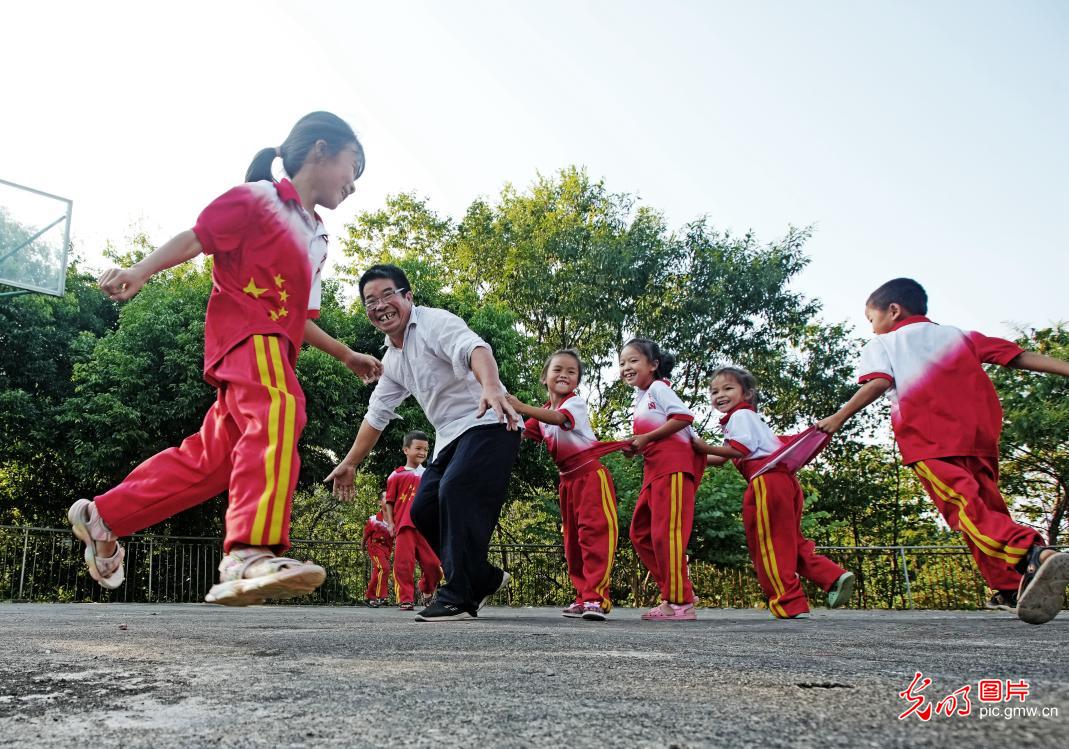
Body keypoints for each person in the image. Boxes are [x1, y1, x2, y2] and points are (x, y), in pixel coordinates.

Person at [67, 112, 383, 606]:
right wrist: (142, 269)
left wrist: (345, 354)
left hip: (274, 348)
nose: (354, 183)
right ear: (321, 149)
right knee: (281, 407)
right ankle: (249, 551)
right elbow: (198, 237)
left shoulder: (318, 238)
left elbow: (298, 314)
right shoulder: (257, 198)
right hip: (244, 337)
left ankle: (104, 516)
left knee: (211, 463)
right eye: (353, 165)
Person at [816, 277, 1069, 625]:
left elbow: (877, 382)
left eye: (871, 319)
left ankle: (1032, 552)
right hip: (980, 438)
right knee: (985, 510)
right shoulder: (960, 336)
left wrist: (839, 416)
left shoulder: (885, 343)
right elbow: (1018, 356)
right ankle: (1011, 587)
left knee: (964, 509)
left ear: (893, 310)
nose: (872, 328)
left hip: (929, 439)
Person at [326, 264, 521, 622]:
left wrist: (491, 386)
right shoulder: (393, 360)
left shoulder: (434, 323)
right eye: (371, 301)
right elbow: (376, 415)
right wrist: (351, 462)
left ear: (407, 297)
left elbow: (476, 349)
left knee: (455, 489)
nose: (380, 305)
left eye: (388, 295)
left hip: (490, 422)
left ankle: (458, 595)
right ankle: (484, 578)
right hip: (450, 437)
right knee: (422, 511)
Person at [692, 367, 854, 619]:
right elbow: (721, 458)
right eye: (714, 391)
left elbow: (740, 449)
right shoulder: (748, 420)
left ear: (747, 393)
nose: (719, 395)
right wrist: (693, 454)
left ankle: (788, 603)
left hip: (765, 481)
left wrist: (701, 446)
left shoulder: (740, 417)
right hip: (783, 481)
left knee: (768, 544)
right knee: (789, 540)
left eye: (727, 388)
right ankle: (832, 575)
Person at [506, 349, 619, 621]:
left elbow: (559, 420)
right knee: (572, 542)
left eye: (571, 372)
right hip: (567, 481)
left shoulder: (573, 405)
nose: (564, 375)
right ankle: (582, 595)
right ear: (544, 377)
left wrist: (520, 406)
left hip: (591, 476)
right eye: (557, 370)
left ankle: (597, 597)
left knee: (594, 535)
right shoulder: (544, 411)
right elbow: (520, 433)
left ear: (577, 381)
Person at [621, 338, 703, 621]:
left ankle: (679, 602)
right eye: (622, 363)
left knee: (667, 535)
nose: (626, 367)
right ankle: (678, 589)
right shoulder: (641, 398)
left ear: (653, 365)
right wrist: (636, 447)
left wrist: (646, 438)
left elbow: (684, 417)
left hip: (673, 468)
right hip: (653, 471)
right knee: (640, 532)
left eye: (633, 361)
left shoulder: (658, 388)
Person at [385, 430, 442, 611]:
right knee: (403, 564)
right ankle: (405, 599)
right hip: (404, 526)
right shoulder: (396, 475)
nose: (422, 453)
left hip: (425, 527)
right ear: (406, 450)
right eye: (418, 448)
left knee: (434, 566)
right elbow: (389, 502)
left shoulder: (430, 474)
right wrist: (391, 524)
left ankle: (426, 588)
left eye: (425, 449)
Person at [363, 498, 393, 607]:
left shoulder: (393, 519)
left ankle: (369, 597)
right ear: (380, 502)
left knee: (378, 571)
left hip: (386, 549)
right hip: (375, 547)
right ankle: (381, 596)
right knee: (385, 568)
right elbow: (366, 535)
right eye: (385, 498)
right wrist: (362, 546)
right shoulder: (373, 519)